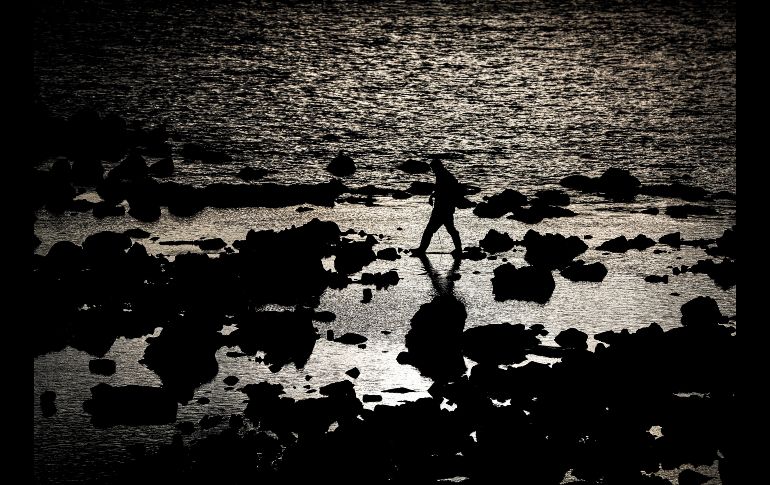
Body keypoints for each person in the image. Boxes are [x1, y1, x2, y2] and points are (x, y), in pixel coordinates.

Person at [411, 159, 463, 257]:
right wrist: (432, 196)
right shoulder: (444, 175)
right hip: (445, 208)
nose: (433, 171)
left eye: (433, 168)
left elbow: (444, 190)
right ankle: (459, 249)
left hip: (442, 209)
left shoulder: (443, 175)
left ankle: (421, 250)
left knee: (430, 230)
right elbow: (440, 189)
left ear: (437, 167)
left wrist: (435, 196)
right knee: (450, 229)